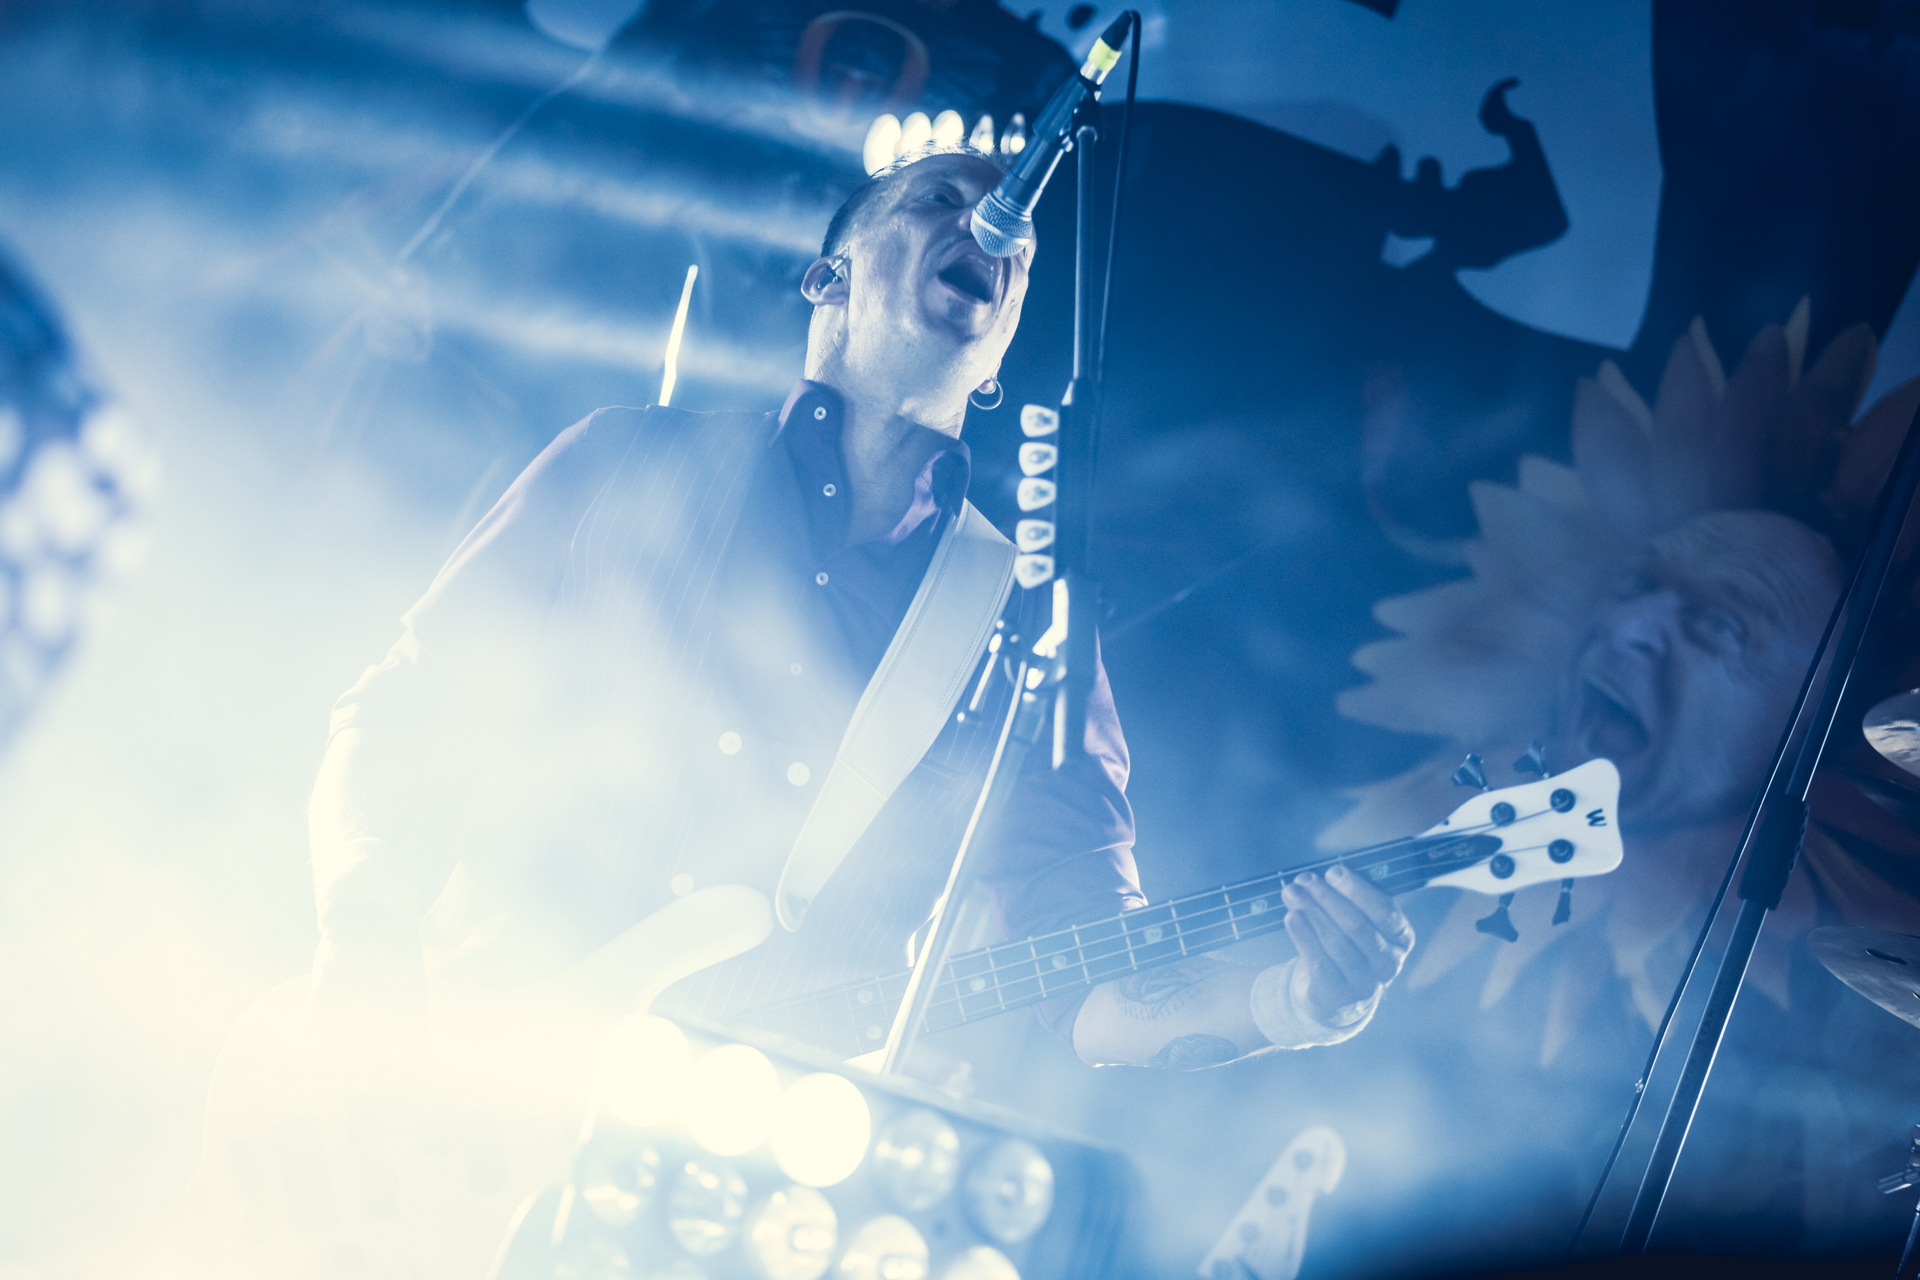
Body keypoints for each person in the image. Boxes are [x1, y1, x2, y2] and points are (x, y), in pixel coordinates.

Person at [307, 146, 1413, 1075]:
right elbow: (406, 713)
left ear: (1000, 355)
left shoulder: (1030, 622)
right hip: (461, 1060)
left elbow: (1088, 978)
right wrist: (363, 949)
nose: (990, 225)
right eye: (939, 200)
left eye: (1017, 245)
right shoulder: (623, 457)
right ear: (827, 280)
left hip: (744, 1162)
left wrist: (1290, 1003)